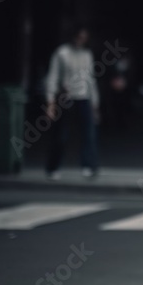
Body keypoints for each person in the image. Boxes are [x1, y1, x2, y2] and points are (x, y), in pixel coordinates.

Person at [44, 25, 101, 179]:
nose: (81, 40)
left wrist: (95, 104)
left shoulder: (87, 54)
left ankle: (88, 166)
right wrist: (50, 103)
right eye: (79, 37)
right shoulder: (62, 53)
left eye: (84, 38)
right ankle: (53, 167)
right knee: (61, 135)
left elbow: (91, 80)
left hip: (83, 97)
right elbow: (53, 77)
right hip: (66, 97)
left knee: (89, 133)